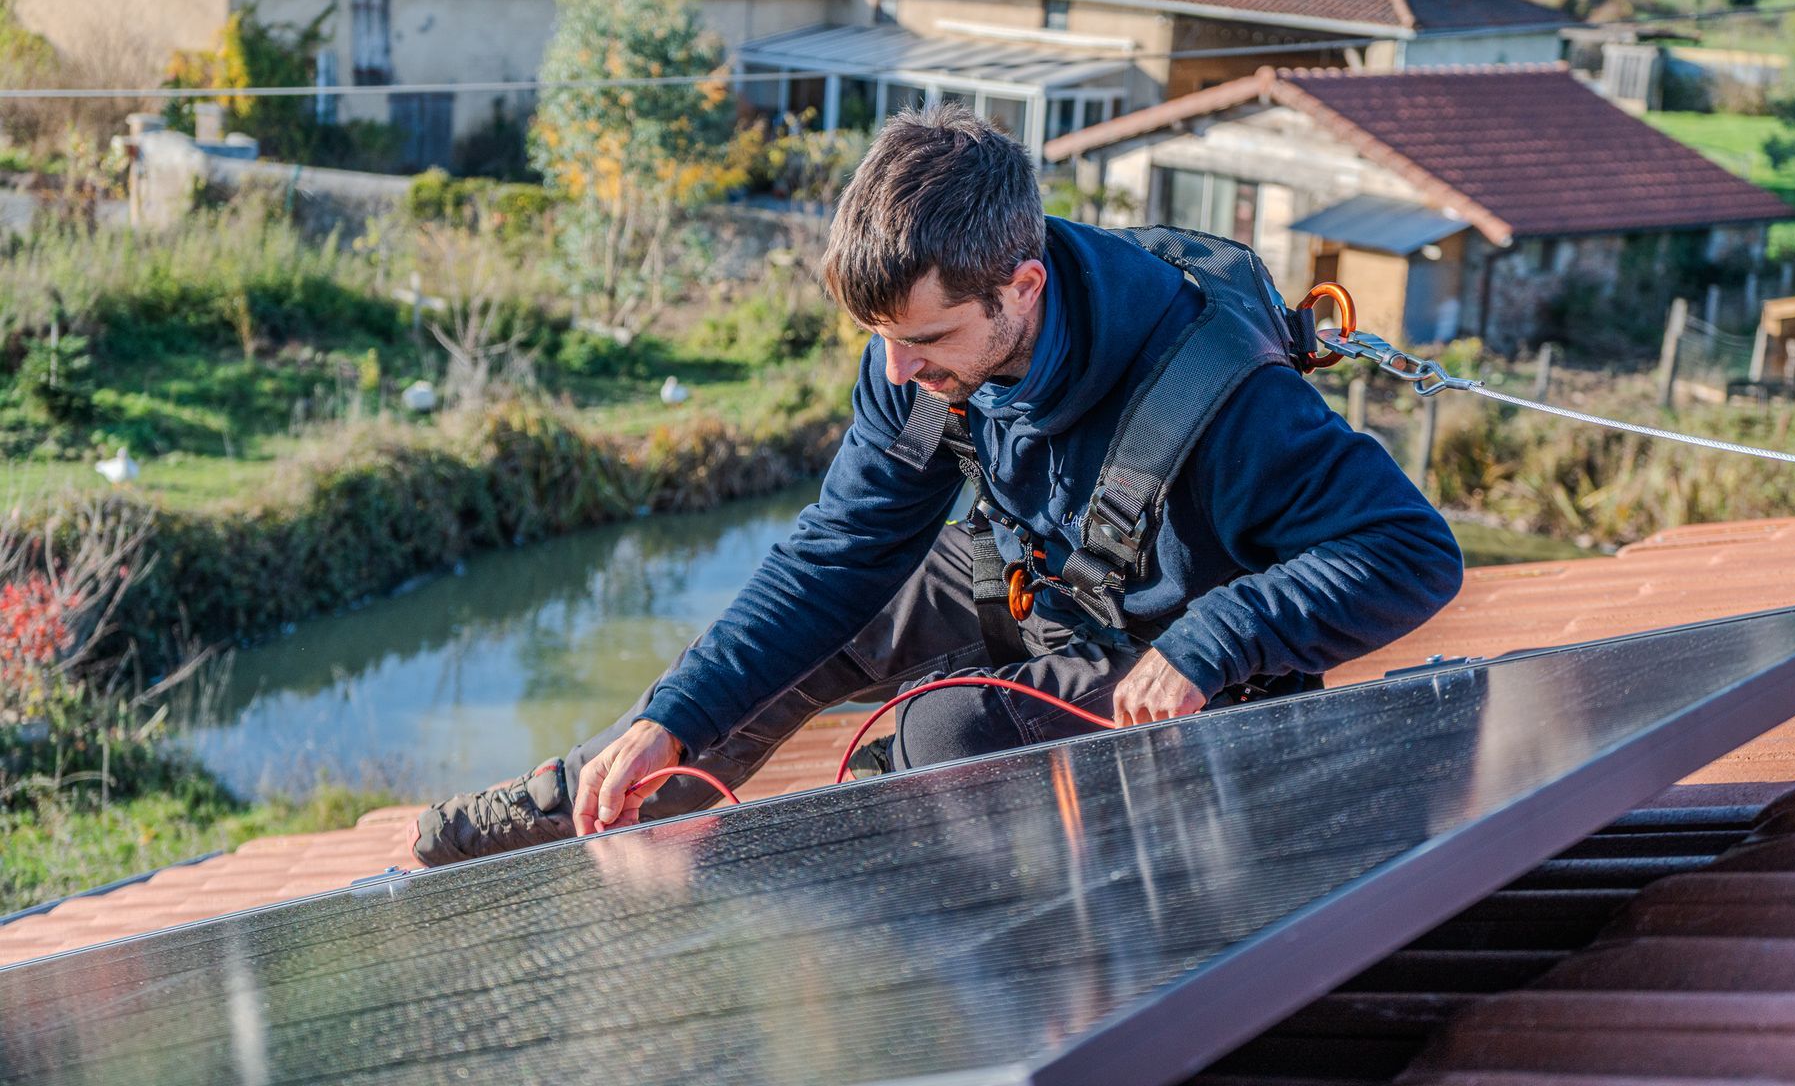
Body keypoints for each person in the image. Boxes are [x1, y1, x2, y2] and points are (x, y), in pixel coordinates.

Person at [410, 104, 1463, 866]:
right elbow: (835, 555)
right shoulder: (917, 356)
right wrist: (678, 714)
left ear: (1023, 287)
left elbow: (1414, 550)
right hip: (1035, 580)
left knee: (944, 733)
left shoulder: (1228, 399)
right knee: (824, 631)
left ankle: (863, 886)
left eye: (925, 339)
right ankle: (600, 789)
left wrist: (1212, 641)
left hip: (1171, 658)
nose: (901, 371)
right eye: (882, 342)